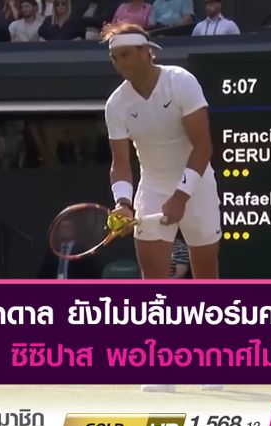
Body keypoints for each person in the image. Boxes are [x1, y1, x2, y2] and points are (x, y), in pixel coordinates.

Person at [103, 22, 222, 392]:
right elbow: (120, 164)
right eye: (114, 57)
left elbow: (203, 146)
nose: (119, 62)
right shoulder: (116, 104)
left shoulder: (180, 81)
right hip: (152, 186)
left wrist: (182, 196)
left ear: (146, 52)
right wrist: (123, 203)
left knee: (206, 277)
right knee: (153, 280)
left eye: (125, 54)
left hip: (197, 183)